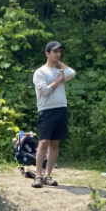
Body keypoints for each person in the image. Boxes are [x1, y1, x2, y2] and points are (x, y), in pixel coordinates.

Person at [31, 40, 75, 188]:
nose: (58, 54)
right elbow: (45, 90)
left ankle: (47, 175)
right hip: (46, 110)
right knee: (43, 142)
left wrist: (60, 64)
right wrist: (58, 80)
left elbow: (72, 73)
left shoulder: (60, 71)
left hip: (61, 108)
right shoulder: (40, 72)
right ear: (47, 53)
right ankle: (38, 175)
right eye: (55, 52)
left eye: (59, 52)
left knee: (55, 143)